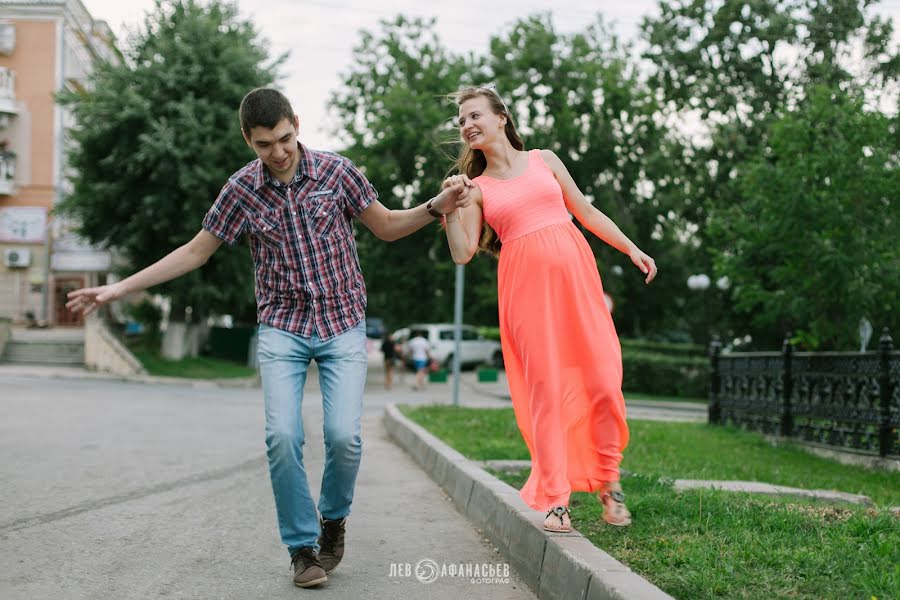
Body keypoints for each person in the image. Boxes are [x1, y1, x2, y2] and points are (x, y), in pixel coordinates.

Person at [65, 88, 468, 588]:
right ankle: (302, 549)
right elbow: (194, 253)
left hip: (342, 320)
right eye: (263, 144)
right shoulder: (241, 191)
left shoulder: (337, 172)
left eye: (284, 138)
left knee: (345, 436)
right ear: (248, 140)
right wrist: (117, 289)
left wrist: (435, 206)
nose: (277, 152)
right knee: (282, 436)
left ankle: (333, 520)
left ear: (296, 124)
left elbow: (385, 227)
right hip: (282, 326)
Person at [439, 85, 657, 532]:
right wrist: (447, 210)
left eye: (474, 115)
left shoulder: (545, 160)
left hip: (577, 283)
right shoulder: (476, 189)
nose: (467, 125)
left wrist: (631, 249)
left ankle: (609, 483)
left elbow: (587, 213)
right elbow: (462, 252)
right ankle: (556, 499)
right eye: (461, 121)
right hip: (525, 294)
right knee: (546, 393)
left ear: (502, 118)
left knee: (602, 379)